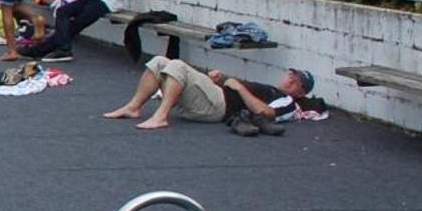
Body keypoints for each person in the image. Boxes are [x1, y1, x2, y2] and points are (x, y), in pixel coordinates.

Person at [103, 60, 314, 132]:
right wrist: (216, 81)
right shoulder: (270, 88)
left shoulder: (288, 102)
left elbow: (266, 113)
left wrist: (239, 88)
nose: (289, 81)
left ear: (301, 92)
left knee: (177, 65)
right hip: (215, 97)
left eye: (296, 83)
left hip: (220, 107)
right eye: (290, 76)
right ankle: (133, 106)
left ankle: (160, 116)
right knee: (159, 61)